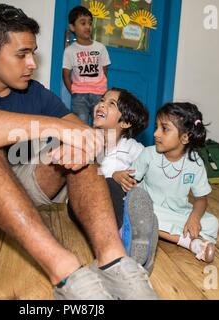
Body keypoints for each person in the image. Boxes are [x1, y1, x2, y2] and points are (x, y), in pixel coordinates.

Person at [0, 3, 158, 300]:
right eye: (22, 54)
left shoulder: (34, 93)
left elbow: (89, 134)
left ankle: (114, 261)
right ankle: (65, 272)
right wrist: (52, 126)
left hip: (15, 188)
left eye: (33, 52)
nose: (32, 63)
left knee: (77, 144)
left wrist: (79, 141)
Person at [69, 88, 158, 274]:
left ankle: (135, 238)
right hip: (82, 205)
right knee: (109, 184)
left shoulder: (133, 148)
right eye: (102, 100)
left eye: (111, 104)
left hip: (118, 205)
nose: (101, 104)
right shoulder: (87, 140)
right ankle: (119, 242)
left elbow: (152, 169)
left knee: (132, 194)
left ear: (125, 122)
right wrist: (113, 177)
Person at [123, 103, 219, 263]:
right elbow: (130, 181)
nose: (155, 133)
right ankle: (189, 242)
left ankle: (154, 231)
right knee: (137, 211)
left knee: (212, 222)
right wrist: (124, 180)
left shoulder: (195, 163)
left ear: (185, 137)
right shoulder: (148, 154)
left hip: (177, 212)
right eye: (156, 127)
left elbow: (201, 199)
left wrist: (194, 217)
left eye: (164, 129)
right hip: (149, 207)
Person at [62, 6, 111, 125]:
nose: (87, 26)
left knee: (99, 125)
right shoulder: (70, 51)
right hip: (79, 96)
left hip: (99, 94)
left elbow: (104, 71)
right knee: (80, 125)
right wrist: (74, 91)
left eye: (90, 23)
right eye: (83, 23)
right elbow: (66, 75)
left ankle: (98, 144)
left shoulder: (100, 48)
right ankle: (82, 144)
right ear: (72, 27)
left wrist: (100, 87)